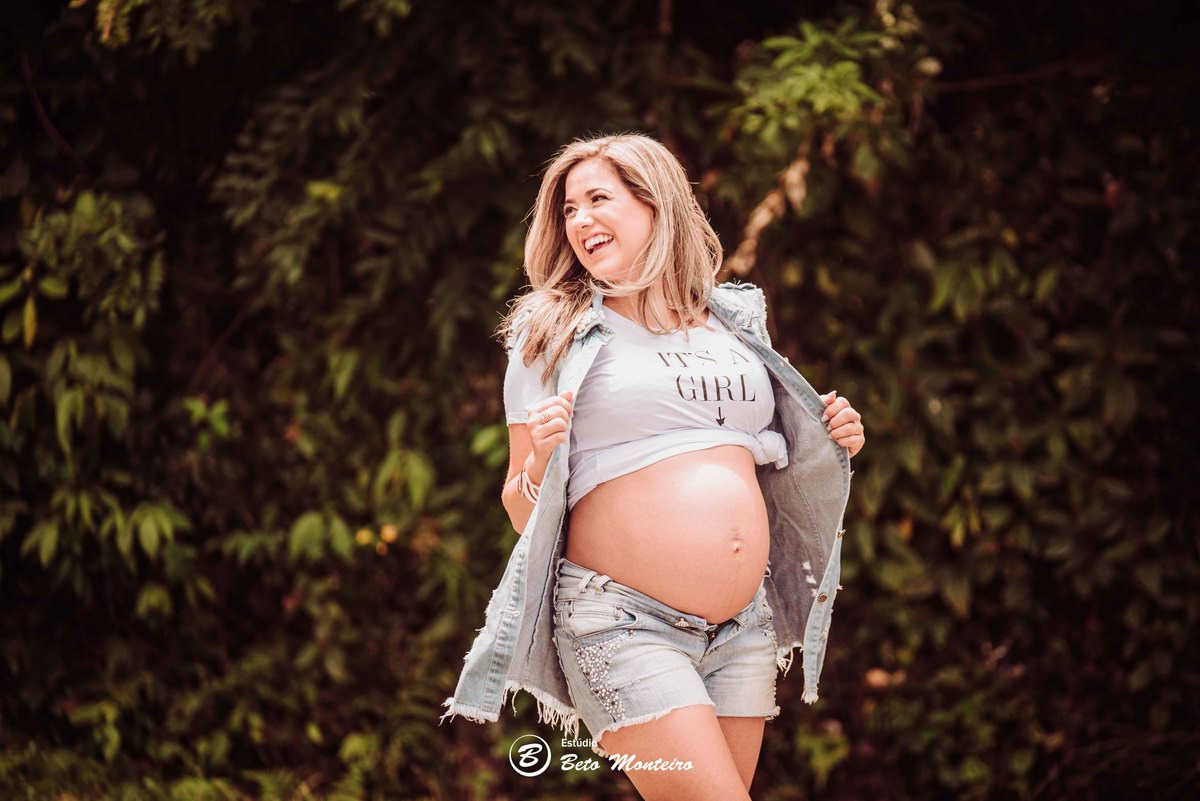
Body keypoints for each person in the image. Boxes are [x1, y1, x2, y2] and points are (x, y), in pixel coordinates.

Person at [441, 133, 864, 800]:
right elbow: (520, 508)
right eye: (569, 209)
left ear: (655, 204)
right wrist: (543, 458)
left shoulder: (731, 321)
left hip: (743, 624)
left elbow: (769, 455)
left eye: (597, 199)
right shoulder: (551, 330)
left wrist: (832, 436)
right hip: (622, 621)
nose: (579, 220)